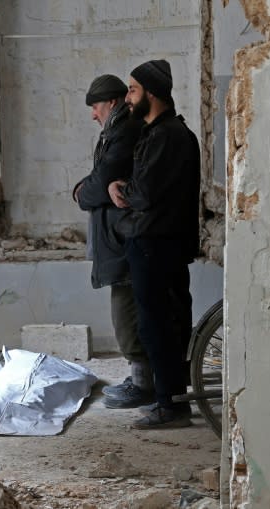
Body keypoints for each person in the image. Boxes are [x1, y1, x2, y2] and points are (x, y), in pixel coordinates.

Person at [107, 60, 201, 429]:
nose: (127, 98)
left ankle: (170, 406)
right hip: (162, 240)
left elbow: (144, 193)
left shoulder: (166, 136)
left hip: (154, 241)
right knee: (170, 322)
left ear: (151, 93)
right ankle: (174, 397)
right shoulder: (163, 132)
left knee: (157, 325)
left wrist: (119, 189)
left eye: (132, 90)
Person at [73, 74, 154, 408]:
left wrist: (85, 193)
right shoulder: (116, 130)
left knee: (127, 311)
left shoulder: (124, 130)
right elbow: (98, 180)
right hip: (119, 234)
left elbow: (102, 179)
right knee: (130, 307)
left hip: (124, 235)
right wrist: (88, 188)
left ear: (113, 102)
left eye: (95, 106)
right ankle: (142, 378)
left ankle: (143, 384)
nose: (93, 114)